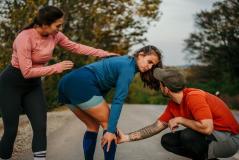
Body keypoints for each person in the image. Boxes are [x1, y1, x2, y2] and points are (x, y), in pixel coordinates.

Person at [0, 6, 117, 160]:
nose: (60, 28)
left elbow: (76, 47)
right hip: (11, 84)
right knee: (11, 129)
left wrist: (104, 54)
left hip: (33, 86)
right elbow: (26, 72)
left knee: (40, 127)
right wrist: (56, 67)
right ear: (44, 23)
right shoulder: (24, 38)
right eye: (58, 25)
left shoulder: (55, 35)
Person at [58, 45, 162, 160]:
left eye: (153, 65)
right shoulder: (128, 68)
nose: (150, 67)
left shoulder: (124, 60)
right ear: (141, 55)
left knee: (92, 126)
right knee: (109, 126)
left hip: (66, 83)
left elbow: (102, 84)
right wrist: (111, 130)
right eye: (150, 62)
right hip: (82, 84)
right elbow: (118, 100)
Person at [117, 68, 239, 160]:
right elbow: (155, 127)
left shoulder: (194, 97)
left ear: (166, 88)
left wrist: (181, 119)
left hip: (229, 140)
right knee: (168, 140)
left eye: (160, 83)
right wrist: (126, 137)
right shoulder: (173, 104)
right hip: (214, 137)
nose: (159, 85)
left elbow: (207, 128)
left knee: (188, 136)